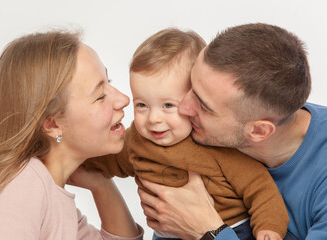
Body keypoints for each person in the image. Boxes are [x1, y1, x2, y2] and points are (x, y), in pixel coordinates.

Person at [83, 28, 289, 240]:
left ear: (194, 99)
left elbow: (260, 188)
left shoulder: (214, 143)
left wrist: (269, 228)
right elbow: (107, 161)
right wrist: (70, 159)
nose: (154, 118)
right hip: (166, 234)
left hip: (232, 230)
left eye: (168, 105)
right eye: (142, 104)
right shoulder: (136, 139)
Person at [138, 23, 327, 240]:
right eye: (190, 86)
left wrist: (208, 230)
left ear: (258, 131)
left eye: (203, 105)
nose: (183, 107)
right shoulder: (198, 134)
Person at [0, 30, 144, 240]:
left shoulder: (48, 191)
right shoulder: (19, 189)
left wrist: (101, 185)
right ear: (52, 124)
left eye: (110, 81)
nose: (123, 99)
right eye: (100, 96)